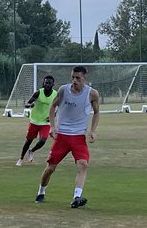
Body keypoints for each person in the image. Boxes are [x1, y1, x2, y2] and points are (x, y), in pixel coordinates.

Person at [35, 66, 99, 208]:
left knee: (83, 165)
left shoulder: (92, 94)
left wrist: (93, 130)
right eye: (72, 77)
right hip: (62, 136)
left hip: (78, 137)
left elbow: (96, 112)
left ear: (84, 79)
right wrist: (52, 126)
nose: (74, 80)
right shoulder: (64, 90)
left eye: (78, 78)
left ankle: (77, 197)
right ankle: (41, 191)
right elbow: (52, 107)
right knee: (50, 168)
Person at [17, 75, 57, 166]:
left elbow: (57, 106)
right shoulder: (38, 93)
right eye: (46, 82)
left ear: (53, 84)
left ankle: (32, 151)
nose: (47, 84)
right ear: (43, 83)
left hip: (45, 122)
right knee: (28, 141)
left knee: (42, 140)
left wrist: (53, 115)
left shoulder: (55, 94)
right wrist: (29, 105)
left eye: (49, 83)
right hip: (34, 121)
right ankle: (21, 158)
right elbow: (29, 102)